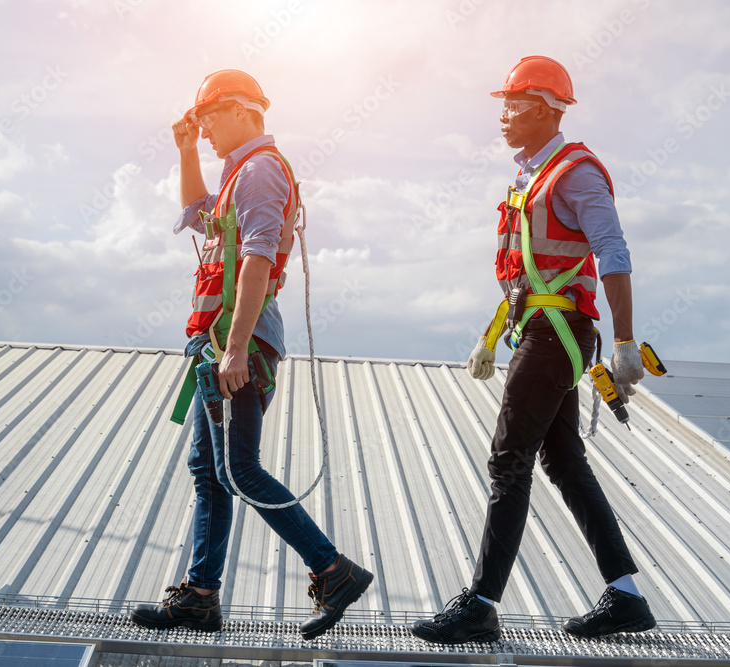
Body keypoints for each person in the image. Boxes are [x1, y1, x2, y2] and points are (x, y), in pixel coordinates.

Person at [410, 56, 655, 643]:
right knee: (562, 459)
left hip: (559, 335)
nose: (503, 117)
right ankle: (626, 596)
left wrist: (625, 342)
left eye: (514, 107)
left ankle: (482, 604)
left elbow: (613, 253)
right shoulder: (528, 176)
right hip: (539, 330)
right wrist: (491, 335)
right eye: (502, 106)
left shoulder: (577, 174)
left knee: (508, 459)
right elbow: (527, 277)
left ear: (548, 110)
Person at [130, 69, 372, 640]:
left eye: (209, 118)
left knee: (237, 469)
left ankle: (333, 570)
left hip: (238, 342)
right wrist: (187, 149)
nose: (205, 128)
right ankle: (199, 597)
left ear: (241, 111)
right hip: (217, 341)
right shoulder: (240, 173)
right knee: (210, 473)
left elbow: (259, 259)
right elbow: (196, 210)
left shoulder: (261, 171)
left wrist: (235, 348)